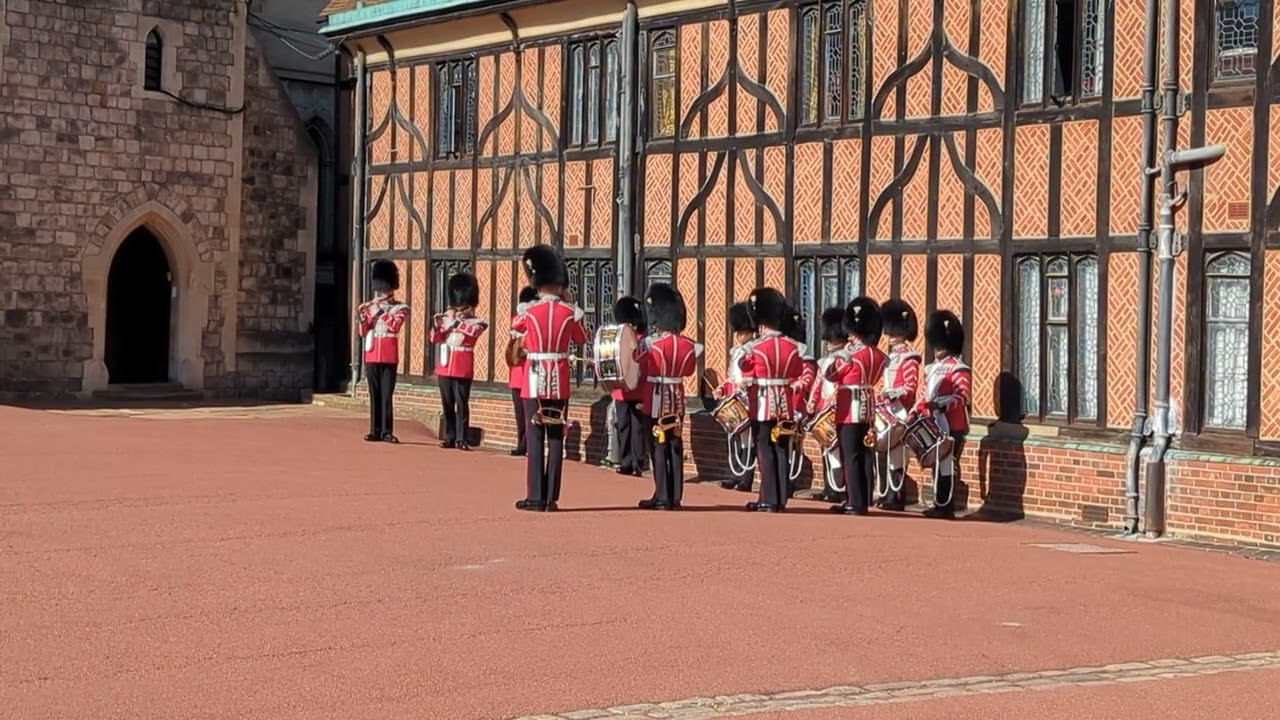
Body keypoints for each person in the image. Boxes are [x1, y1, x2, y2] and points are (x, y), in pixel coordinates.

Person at [511, 245, 589, 512]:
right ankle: (551, 498)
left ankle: (535, 494)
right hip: (559, 378)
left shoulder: (529, 312)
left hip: (533, 378)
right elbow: (582, 339)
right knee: (556, 437)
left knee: (535, 437)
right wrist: (568, 301)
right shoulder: (571, 313)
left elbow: (516, 327)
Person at [738, 288, 805, 513]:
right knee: (781, 450)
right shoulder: (793, 346)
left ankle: (767, 497)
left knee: (764, 448)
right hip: (784, 402)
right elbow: (796, 371)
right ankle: (780, 498)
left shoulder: (754, 347)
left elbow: (746, 369)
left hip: (763, 402)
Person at [638, 284, 701, 510]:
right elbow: (689, 371)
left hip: (655, 398)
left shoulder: (651, 344)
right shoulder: (689, 346)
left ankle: (662, 495)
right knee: (674, 444)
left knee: (657, 446)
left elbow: (639, 364)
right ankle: (674, 495)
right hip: (677, 399)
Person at [824, 297, 887, 515]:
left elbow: (831, 375)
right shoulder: (879, 355)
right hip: (868, 408)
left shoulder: (851, 355)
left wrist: (836, 359)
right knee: (863, 455)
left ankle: (853, 501)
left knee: (850, 456)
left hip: (849, 407)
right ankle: (863, 499)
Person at [915, 310, 972, 519]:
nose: (937, 349)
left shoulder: (959, 368)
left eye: (940, 345)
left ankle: (946, 504)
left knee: (947, 463)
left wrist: (945, 404)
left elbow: (962, 395)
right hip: (933, 421)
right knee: (935, 462)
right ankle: (939, 501)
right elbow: (924, 393)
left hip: (953, 423)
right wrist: (916, 409)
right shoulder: (931, 368)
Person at [431, 272, 488, 451]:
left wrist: (455, 322)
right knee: (447, 402)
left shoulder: (477, 322)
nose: (460, 309)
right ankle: (450, 435)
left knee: (461, 403)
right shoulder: (447, 319)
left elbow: (473, 333)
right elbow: (435, 338)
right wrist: (437, 324)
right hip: (445, 365)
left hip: (463, 365)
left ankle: (462, 438)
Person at [357, 261, 409, 443]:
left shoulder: (400, 308)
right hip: (372, 354)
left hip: (388, 355)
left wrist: (379, 312)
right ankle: (375, 430)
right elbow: (363, 332)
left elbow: (394, 326)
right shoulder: (371, 307)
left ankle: (387, 431)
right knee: (374, 394)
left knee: (386, 395)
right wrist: (363, 317)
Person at [876, 298, 921, 511]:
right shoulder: (890, 357)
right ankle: (888, 493)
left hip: (901, 410)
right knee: (886, 453)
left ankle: (897, 496)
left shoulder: (909, 357)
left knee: (898, 455)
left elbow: (910, 386)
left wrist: (894, 393)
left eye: (893, 332)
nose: (889, 336)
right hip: (886, 409)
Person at [715, 302, 758, 493]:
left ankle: (745, 478)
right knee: (735, 437)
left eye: (743, 332)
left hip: (748, 398)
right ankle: (735, 474)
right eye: (738, 332)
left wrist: (747, 383)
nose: (740, 336)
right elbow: (731, 377)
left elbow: (757, 374)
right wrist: (721, 388)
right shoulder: (736, 352)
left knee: (748, 439)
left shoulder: (755, 349)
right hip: (734, 398)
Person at [807, 307, 849, 503]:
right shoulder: (825, 361)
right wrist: (813, 401)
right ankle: (829, 486)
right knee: (826, 448)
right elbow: (818, 383)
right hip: (824, 408)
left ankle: (838, 488)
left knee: (837, 450)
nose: (829, 343)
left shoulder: (846, 357)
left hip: (839, 409)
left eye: (833, 338)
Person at [611, 296, 650, 477]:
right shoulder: (618, 339)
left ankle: (638, 462)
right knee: (624, 426)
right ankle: (625, 461)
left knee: (638, 428)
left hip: (638, 389)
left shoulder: (643, 341)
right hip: (621, 391)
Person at [781, 308, 816, 498]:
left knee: (791, 448)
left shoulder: (805, 357)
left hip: (797, 407)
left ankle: (789, 481)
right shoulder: (785, 352)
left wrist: (796, 385)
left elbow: (808, 379)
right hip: (782, 406)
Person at [507, 286, 539, 457]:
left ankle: (530, 443)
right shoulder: (519, 320)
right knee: (520, 414)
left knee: (531, 414)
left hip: (531, 373)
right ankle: (521, 443)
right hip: (517, 373)